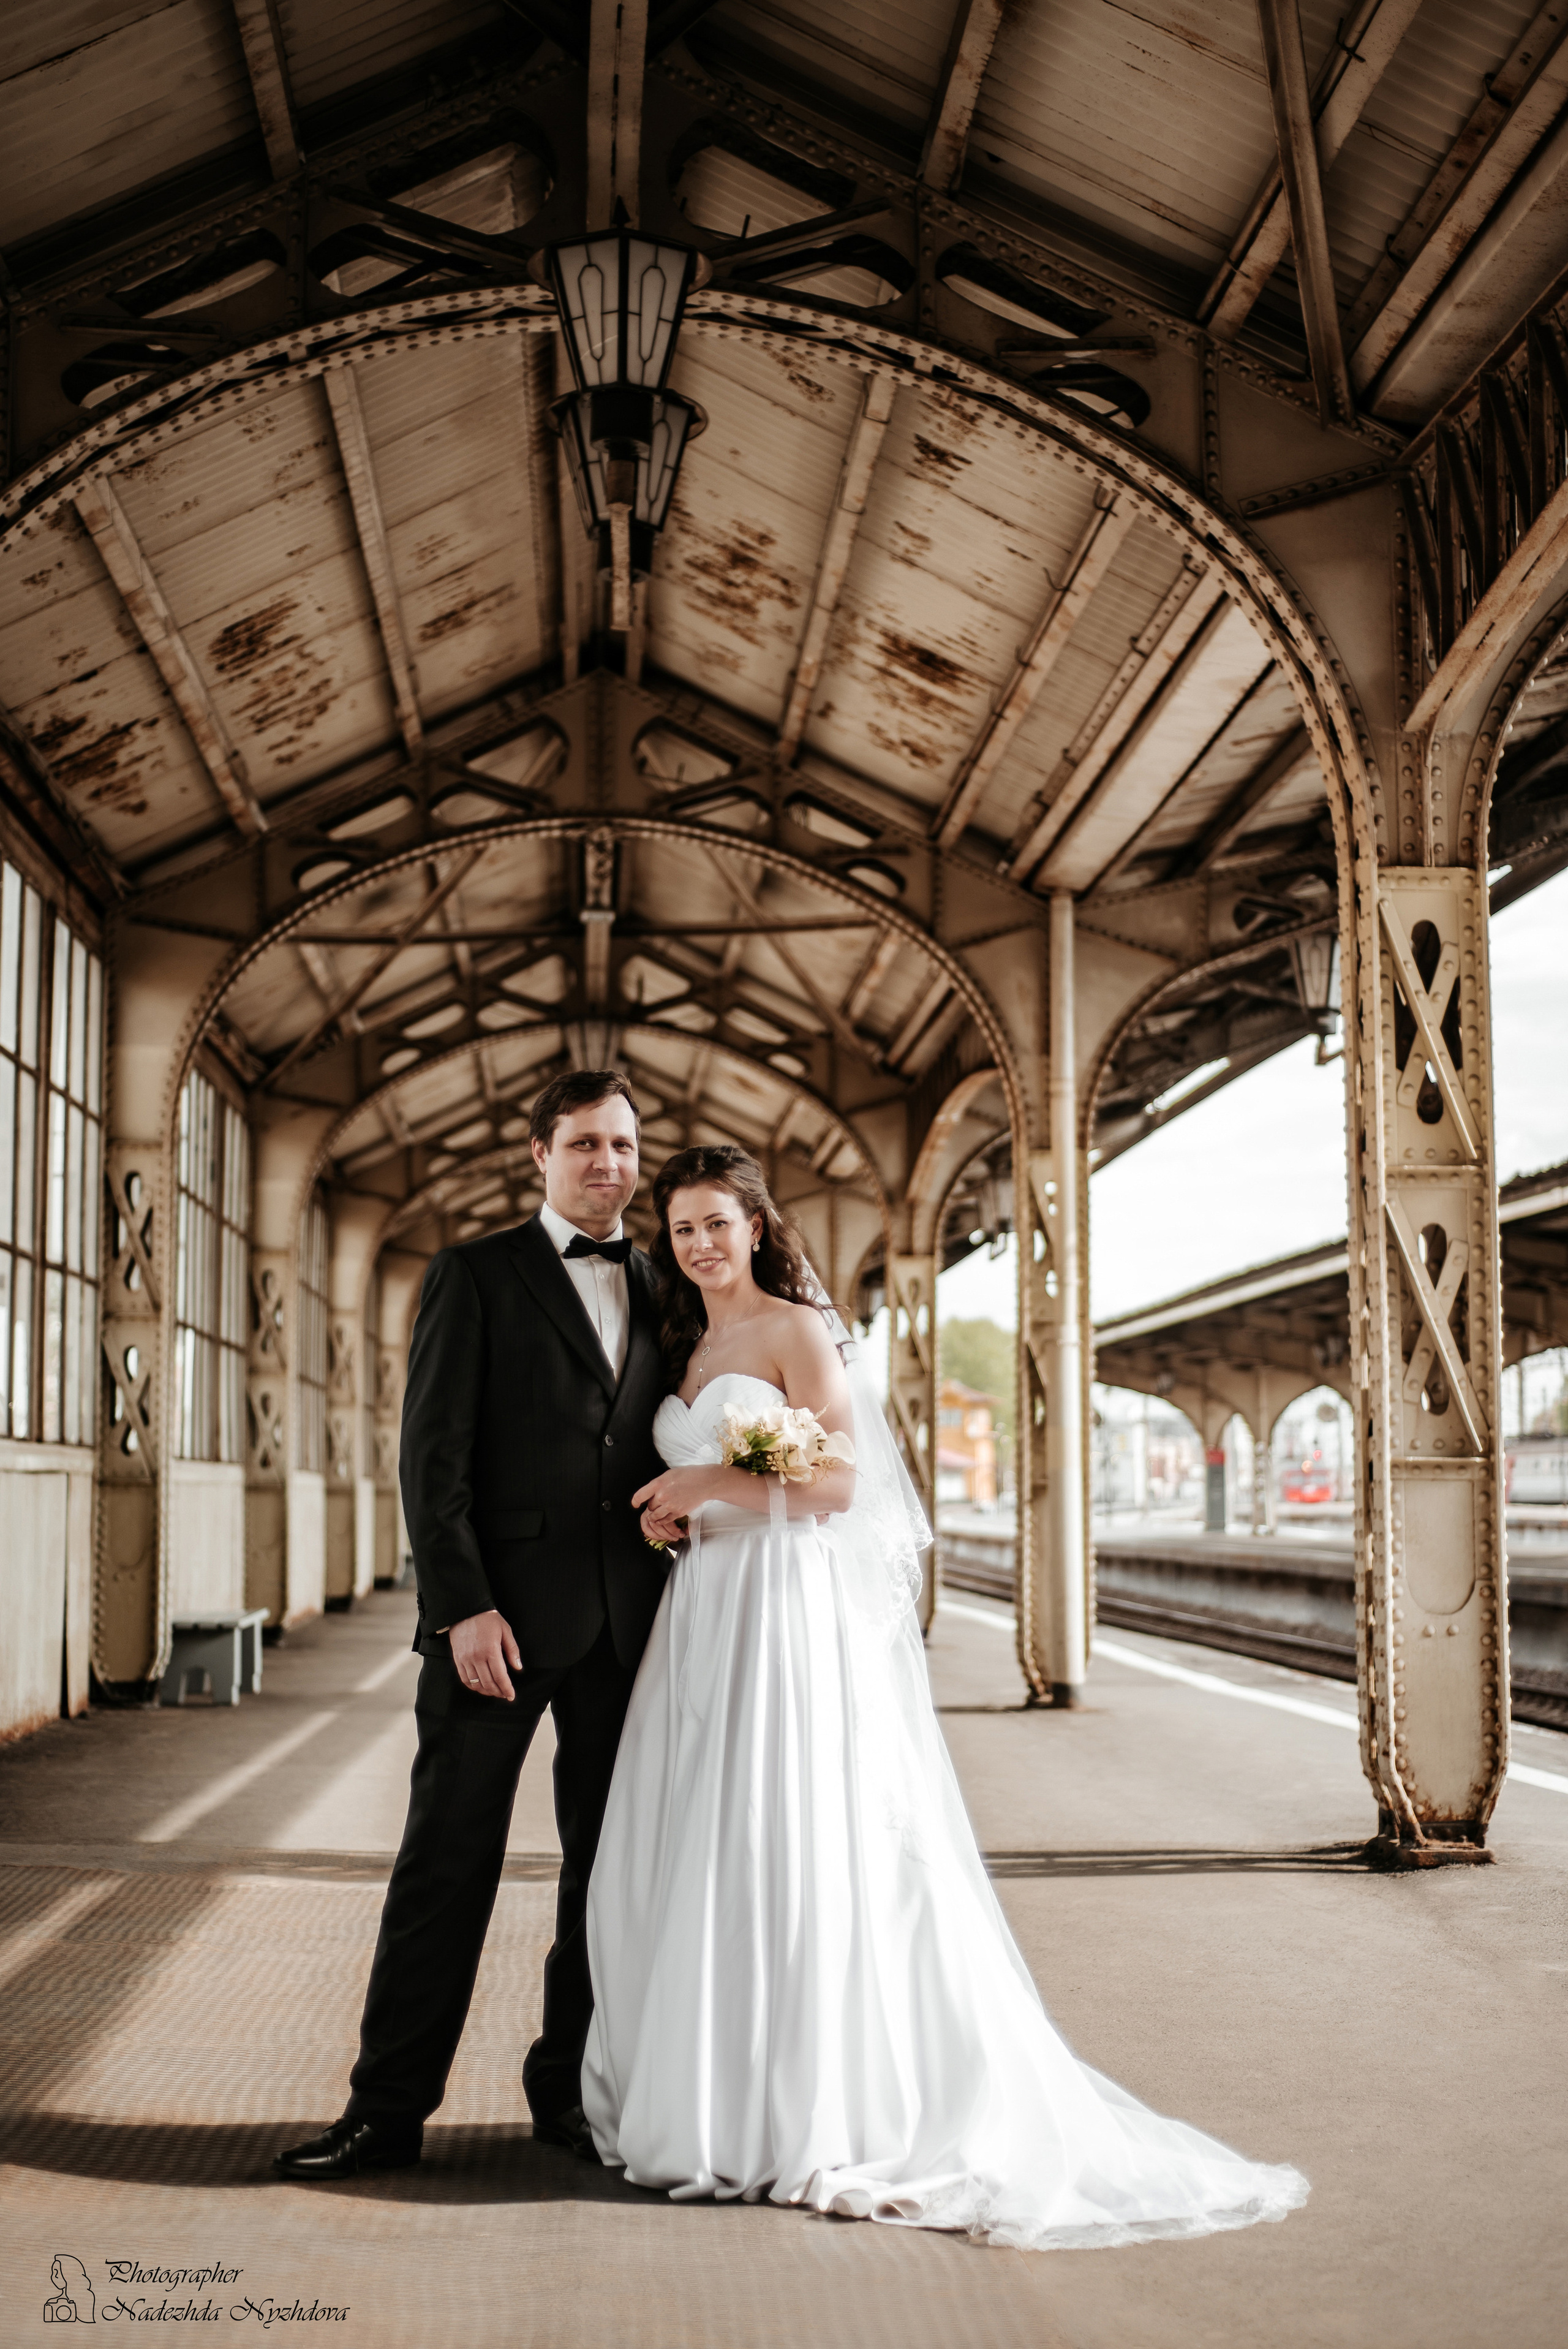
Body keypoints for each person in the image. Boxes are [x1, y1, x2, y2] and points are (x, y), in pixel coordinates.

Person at [581, 1143, 1310, 2250]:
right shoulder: (686, 1342)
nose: (699, 1244)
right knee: (697, 1839)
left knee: (781, 1836)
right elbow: (725, 1482)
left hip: (783, 1615)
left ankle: (801, 2107)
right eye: (682, 1227)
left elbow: (838, 1482)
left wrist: (707, 1481)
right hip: (705, 1612)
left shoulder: (796, 1328)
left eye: (717, 1222)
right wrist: (670, 1510)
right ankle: (711, 2082)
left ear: (756, 1223)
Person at [274, 1071, 668, 2180]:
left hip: (626, 1632)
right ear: (537, 1154)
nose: (609, 1165)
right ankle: (385, 2109)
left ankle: (569, 2093)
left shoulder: (666, 1282)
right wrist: (463, 1609)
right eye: (586, 1143)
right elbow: (430, 1459)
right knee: (445, 1867)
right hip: (492, 1630)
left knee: (607, 1873)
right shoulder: (473, 1273)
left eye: (626, 1146)